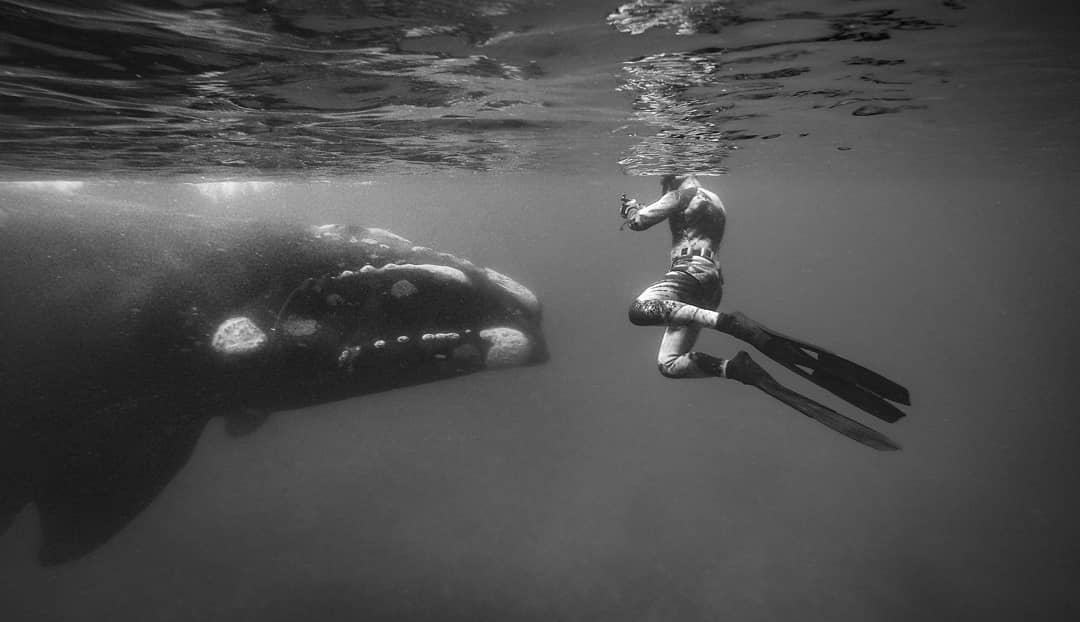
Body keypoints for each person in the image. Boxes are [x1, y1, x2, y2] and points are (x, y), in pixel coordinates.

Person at [620, 174, 910, 450]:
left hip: (687, 275)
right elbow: (693, 225)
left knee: (639, 310)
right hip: (710, 285)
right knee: (668, 364)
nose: (660, 182)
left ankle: (729, 324)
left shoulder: (679, 193)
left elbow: (638, 223)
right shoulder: (713, 198)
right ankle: (734, 369)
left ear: (673, 174)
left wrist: (632, 209)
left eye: (662, 178)